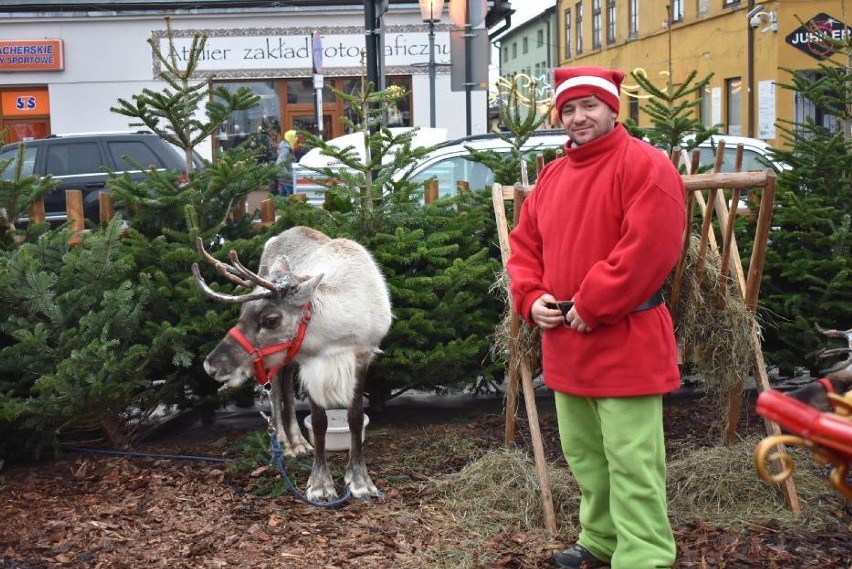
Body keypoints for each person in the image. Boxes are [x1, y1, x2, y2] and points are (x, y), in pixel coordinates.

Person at [506, 66, 686, 569]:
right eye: (569, 109)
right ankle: (601, 541)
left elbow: (650, 248)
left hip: (625, 337)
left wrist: (593, 303)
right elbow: (525, 246)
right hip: (566, 340)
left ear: (612, 108)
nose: (579, 117)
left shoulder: (646, 165)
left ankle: (644, 556)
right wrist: (530, 296)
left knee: (633, 461)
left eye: (589, 106)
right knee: (586, 457)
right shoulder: (554, 175)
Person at [275, 130, 296, 196]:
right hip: (287, 180)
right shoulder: (286, 149)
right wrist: (289, 175)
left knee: (282, 198)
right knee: (292, 196)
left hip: (284, 179)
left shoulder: (287, 148)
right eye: (295, 137)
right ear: (290, 138)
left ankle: (277, 205)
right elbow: (279, 164)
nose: (296, 138)